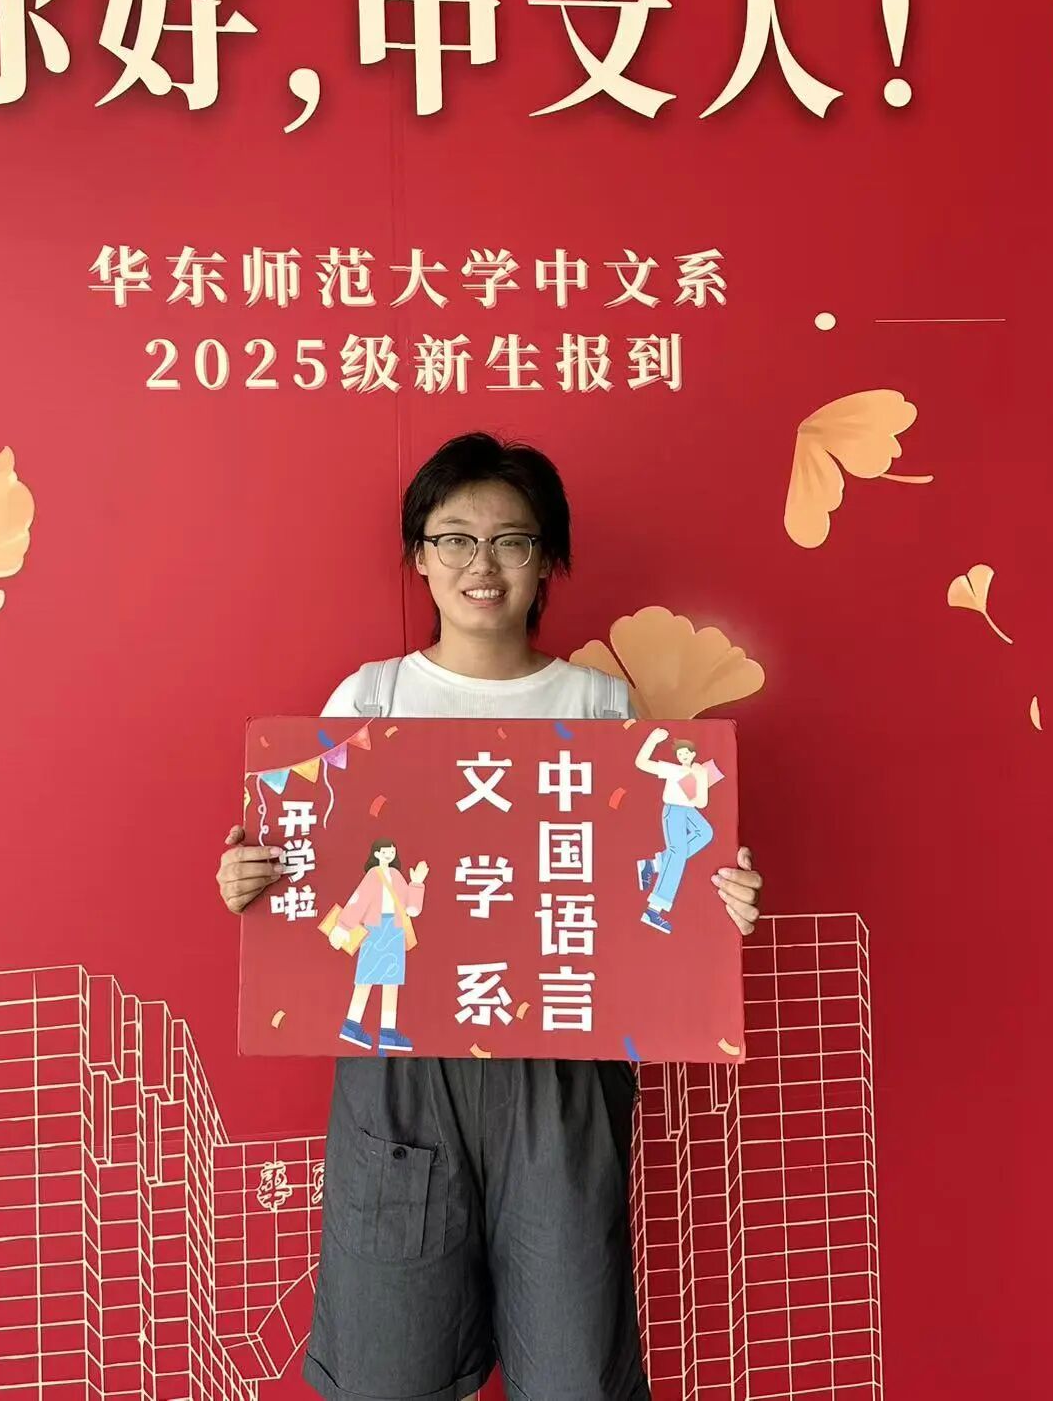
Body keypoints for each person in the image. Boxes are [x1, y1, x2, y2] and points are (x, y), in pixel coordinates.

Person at [217, 431, 764, 1401]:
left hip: (560, 1060)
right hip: (401, 1067)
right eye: (454, 538)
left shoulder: (600, 705)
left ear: (547, 561)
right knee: (391, 1361)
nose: (482, 563)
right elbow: (313, 869)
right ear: (419, 556)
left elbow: (651, 873)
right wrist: (251, 878)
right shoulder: (371, 696)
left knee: (573, 1363)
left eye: (512, 540)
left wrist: (717, 895)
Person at [330, 838, 429, 1053]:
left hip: (394, 930)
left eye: (391, 851)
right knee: (365, 979)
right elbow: (358, 901)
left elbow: (411, 909)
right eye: (385, 851)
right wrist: (343, 926)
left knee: (391, 982)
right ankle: (351, 1025)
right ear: (376, 854)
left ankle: (388, 1032)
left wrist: (417, 883)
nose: (389, 855)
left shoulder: (396, 876)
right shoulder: (373, 875)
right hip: (375, 929)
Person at [634, 728, 715, 935]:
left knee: (705, 833)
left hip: (689, 811)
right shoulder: (673, 770)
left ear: (693, 754)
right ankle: (653, 910)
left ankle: (653, 865)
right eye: (680, 754)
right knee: (677, 855)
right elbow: (641, 763)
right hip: (674, 810)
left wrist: (700, 777)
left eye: (686, 753)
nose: (683, 756)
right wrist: (653, 739)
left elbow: (701, 802)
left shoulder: (698, 772)